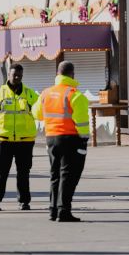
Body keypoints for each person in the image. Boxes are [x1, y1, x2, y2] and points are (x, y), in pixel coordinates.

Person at [32, 61, 90, 222]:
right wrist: (85, 138)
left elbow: (37, 114)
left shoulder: (45, 93)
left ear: (57, 74)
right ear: (72, 74)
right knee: (68, 176)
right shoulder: (75, 95)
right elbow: (82, 122)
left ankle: (53, 210)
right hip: (70, 139)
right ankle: (64, 211)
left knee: (55, 174)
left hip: (51, 139)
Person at [0, 63, 39, 211]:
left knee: (24, 173)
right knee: (1, 172)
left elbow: (40, 110)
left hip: (25, 140)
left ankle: (24, 201)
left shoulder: (29, 93)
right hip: (4, 138)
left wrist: (32, 108)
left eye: (19, 75)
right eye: (14, 75)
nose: (17, 77)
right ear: (9, 75)